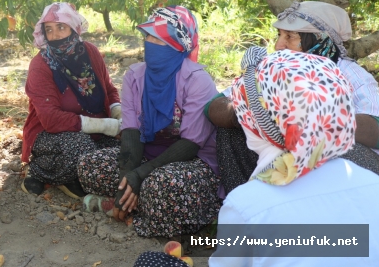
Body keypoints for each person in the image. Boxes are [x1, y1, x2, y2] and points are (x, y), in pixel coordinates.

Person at [134, 49, 379, 266]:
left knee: (150, 262)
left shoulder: (246, 205)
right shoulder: (371, 183)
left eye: (242, 110)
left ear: (257, 123)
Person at [208, 1, 379, 195]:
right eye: (279, 35)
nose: (278, 45)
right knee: (231, 132)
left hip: (339, 180)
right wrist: (252, 114)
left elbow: (376, 126)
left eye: (290, 37)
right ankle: (251, 199)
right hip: (279, 164)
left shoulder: (350, 73)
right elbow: (214, 107)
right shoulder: (272, 70)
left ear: (320, 40)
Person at [78, 6, 221, 238]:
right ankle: (135, 203)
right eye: (148, 36)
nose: (150, 43)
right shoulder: (135, 76)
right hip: (148, 154)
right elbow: (131, 132)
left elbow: (191, 144)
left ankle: (127, 206)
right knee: (89, 165)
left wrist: (140, 174)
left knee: (163, 185)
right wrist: (128, 179)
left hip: (192, 161)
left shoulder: (197, 80)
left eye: (159, 38)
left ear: (178, 45)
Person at [21, 2, 121, 199]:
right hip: (50, 133)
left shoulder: (90, 52)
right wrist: (105, 125)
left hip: (94, 131)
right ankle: (40, 169)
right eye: (49, 30)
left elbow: (108, 88)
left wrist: (117, 111)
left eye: (61, 27)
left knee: (126, 148)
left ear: (74, 28)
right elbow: (51, 120)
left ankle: (71, 174)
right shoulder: (41, 65)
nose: (55, 35)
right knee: (82, 150)